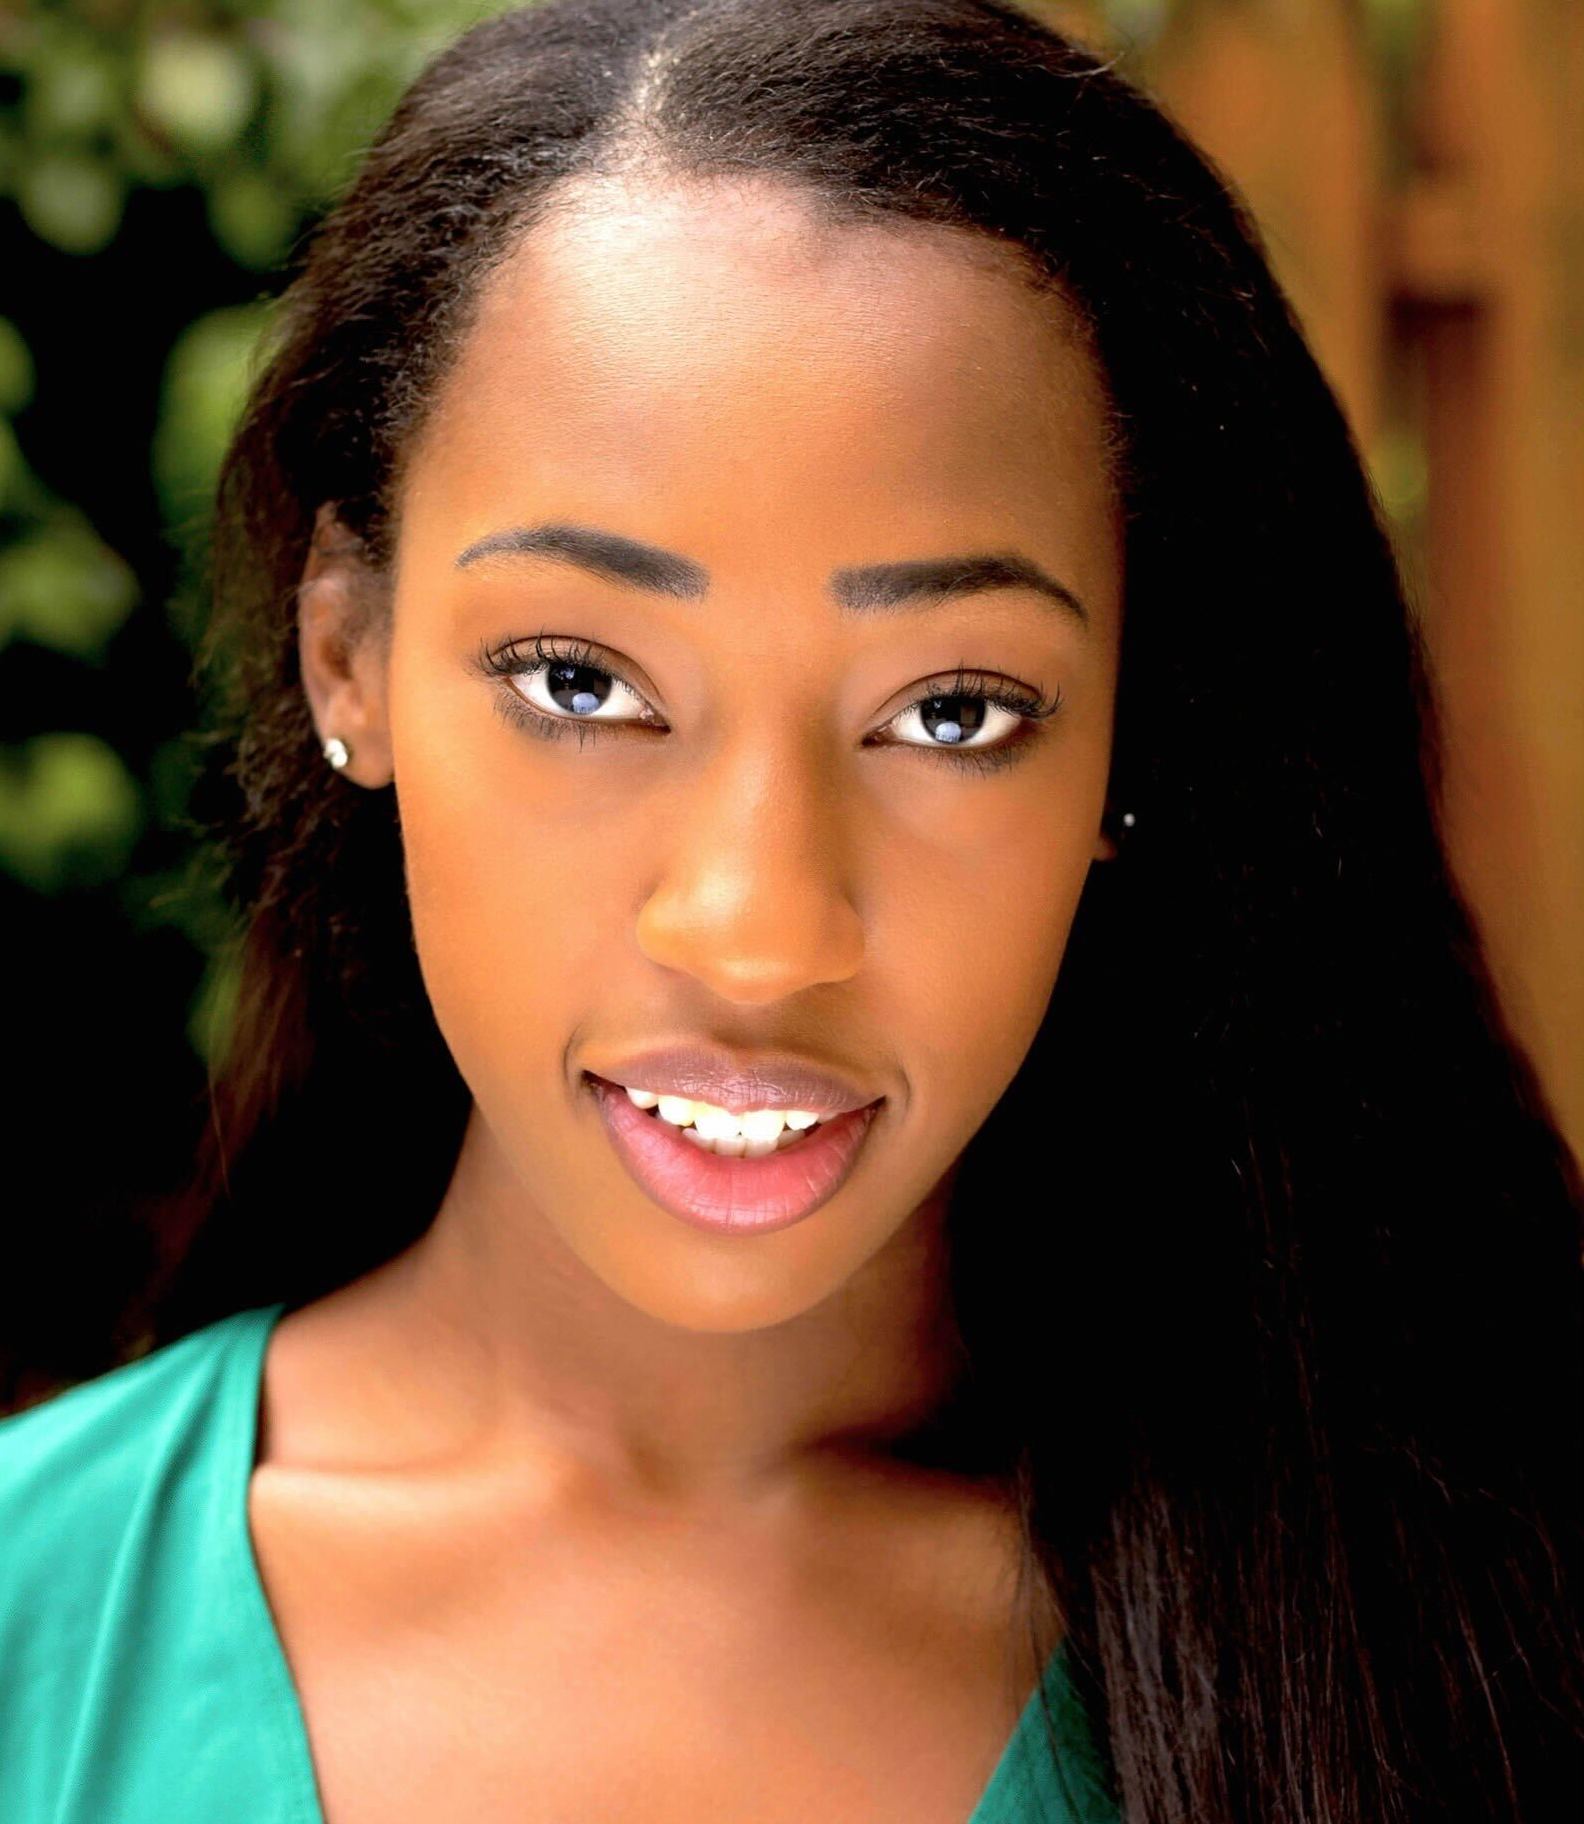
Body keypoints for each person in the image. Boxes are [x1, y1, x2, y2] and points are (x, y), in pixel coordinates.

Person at [2, 0, 1580, 1818]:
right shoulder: (33, 1627)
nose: (759, 929)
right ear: (345, 649)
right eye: (580, 682)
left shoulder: (1464, 1633)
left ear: (1139, 734)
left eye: (953, 712)